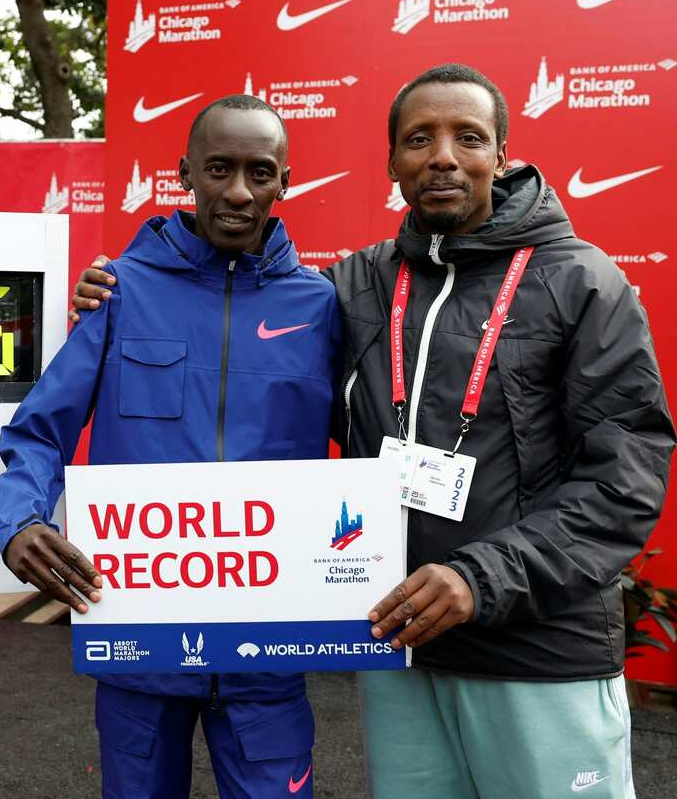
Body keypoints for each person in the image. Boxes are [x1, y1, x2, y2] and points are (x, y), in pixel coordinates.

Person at [71, 64, 675, 799]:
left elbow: (625, 480)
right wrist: (124, 289)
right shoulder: (356, 286)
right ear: (392, 164)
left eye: (468, 137)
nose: (443, 156)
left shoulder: (582, 281)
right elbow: (232, 320)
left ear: (502, 156)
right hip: (400, 648)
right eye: (419, 139)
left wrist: (480, 578)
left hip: (537, 653)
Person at [0, 94, 340, 799]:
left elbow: (379, 433)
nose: (238, 192)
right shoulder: (120, 292)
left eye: (260, 172)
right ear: (185, 172)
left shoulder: (321, 305)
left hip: (267, 650)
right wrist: (20, 521)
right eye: (218, 169)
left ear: (285, 181)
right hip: (141, 645)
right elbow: (39, 428)